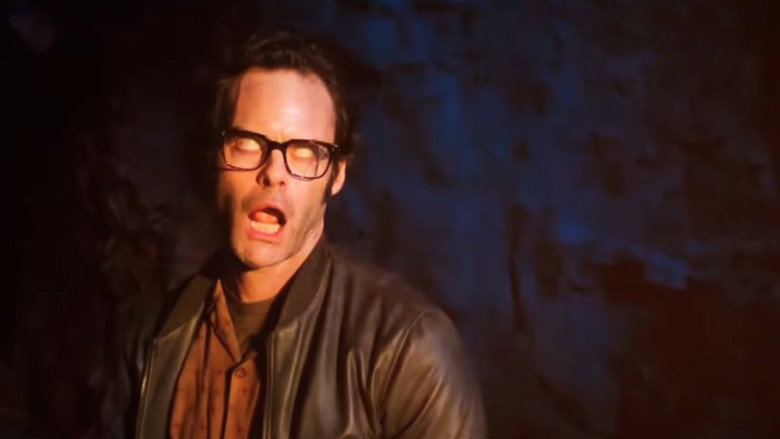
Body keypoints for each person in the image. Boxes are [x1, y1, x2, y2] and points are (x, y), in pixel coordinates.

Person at [114, 29, 486, 439]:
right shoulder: (153, 336)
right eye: (247, 143)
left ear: (336, 174)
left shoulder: (406, 349)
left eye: (305, 152)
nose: (273, 172)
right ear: (214, 156)